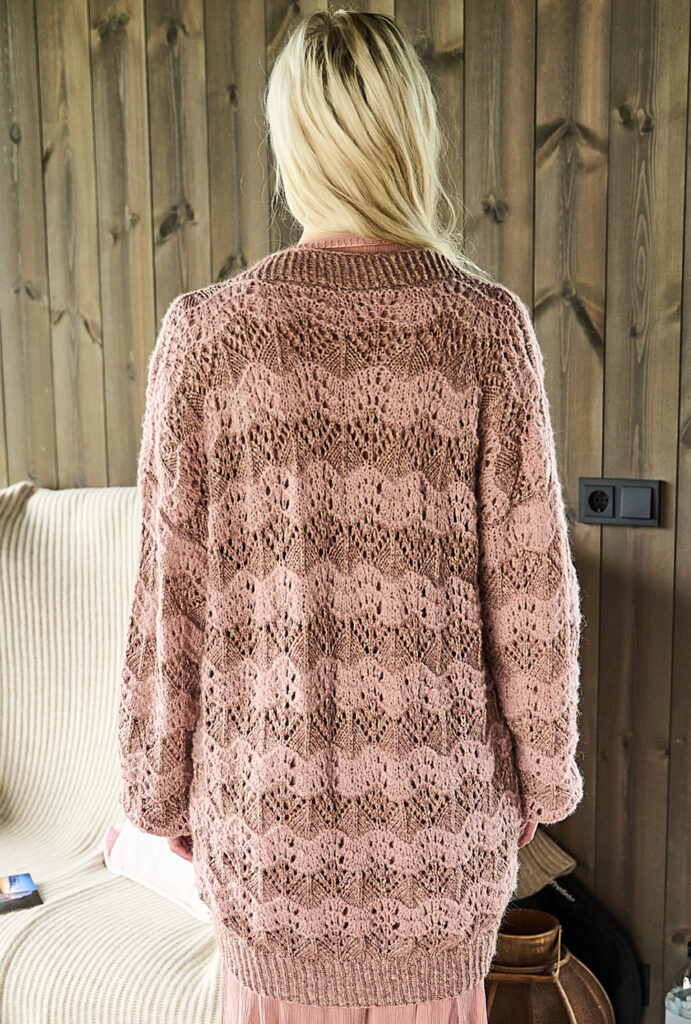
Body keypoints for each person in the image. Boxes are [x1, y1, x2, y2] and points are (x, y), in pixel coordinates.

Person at [117, 9, 583, 1024]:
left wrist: (160, 789)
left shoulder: (207, 338)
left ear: (292, 141)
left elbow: (168, 599)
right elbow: (533, 599)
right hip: (437, 849)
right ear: (411, 135)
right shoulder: (483, 330)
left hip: (267, 841)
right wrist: (544, 782)